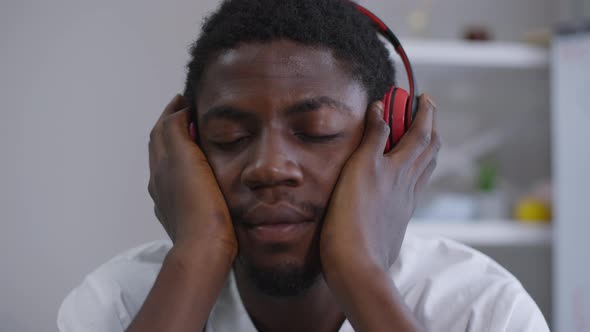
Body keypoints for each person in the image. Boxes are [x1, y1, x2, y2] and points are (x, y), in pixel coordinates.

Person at [57, 0, 549, 331]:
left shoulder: (480, 309)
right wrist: (198, 256)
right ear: (188, 150)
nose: (269, 168)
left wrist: (358, 270)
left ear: (392, 145)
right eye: (230, 137)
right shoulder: (118, 303)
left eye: (317, 131)